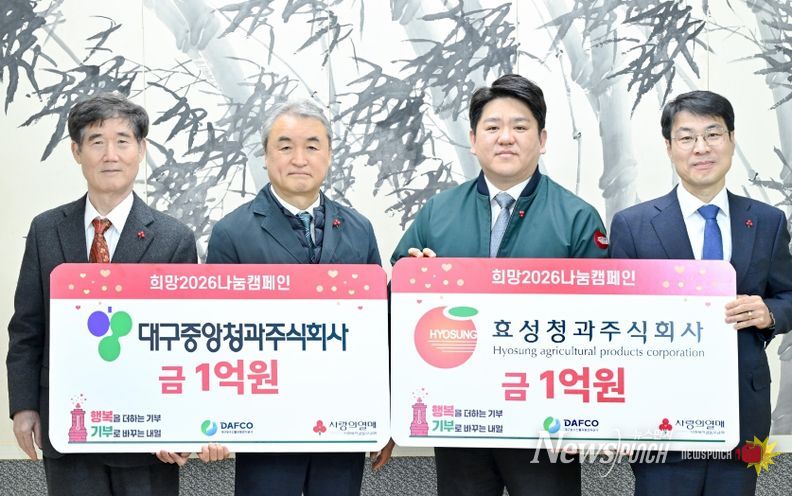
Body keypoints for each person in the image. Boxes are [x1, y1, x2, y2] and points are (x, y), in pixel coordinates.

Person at [391, 74, 608, 496]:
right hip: (459, 410)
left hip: (546, 417)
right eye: (492, 127)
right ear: (473, 140)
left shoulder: (578, 217)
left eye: (520, 126)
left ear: (542, 140)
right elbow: (397, 294)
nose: (506, 137)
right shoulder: (437, 212)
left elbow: (600, 320)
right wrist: (413, 279)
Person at [6, 93, 197, 495]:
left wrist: (182, 423)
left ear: (141, 149)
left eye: (122, 141)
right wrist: (24, 405)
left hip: (147, 434)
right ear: (77, 151)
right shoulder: (46, 230)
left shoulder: (173, 238)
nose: (110, 154)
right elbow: (27, 327)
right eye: (96, 141)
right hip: (68, 426)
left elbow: (184, 342)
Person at [205, 99, 394, 495]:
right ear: (266, 155)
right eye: (285, 146)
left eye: (312, 146)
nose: (299, 159)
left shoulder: (359, 229)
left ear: (329, 154)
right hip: (265, 422)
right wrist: (214, 417)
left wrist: (385, 415)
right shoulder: (232, 232)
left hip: (342, 417)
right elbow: (215, 336)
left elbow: (378, 331)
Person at [609, 90, 792, 496]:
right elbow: (614, 316)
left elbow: (789, 296)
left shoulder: (767, 221)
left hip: (743, 414)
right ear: (669, 147)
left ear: (731, 139)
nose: (701, 148)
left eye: (713, 134)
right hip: (659, 416)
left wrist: (769, 313)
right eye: (687, 137)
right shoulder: (633, 225)